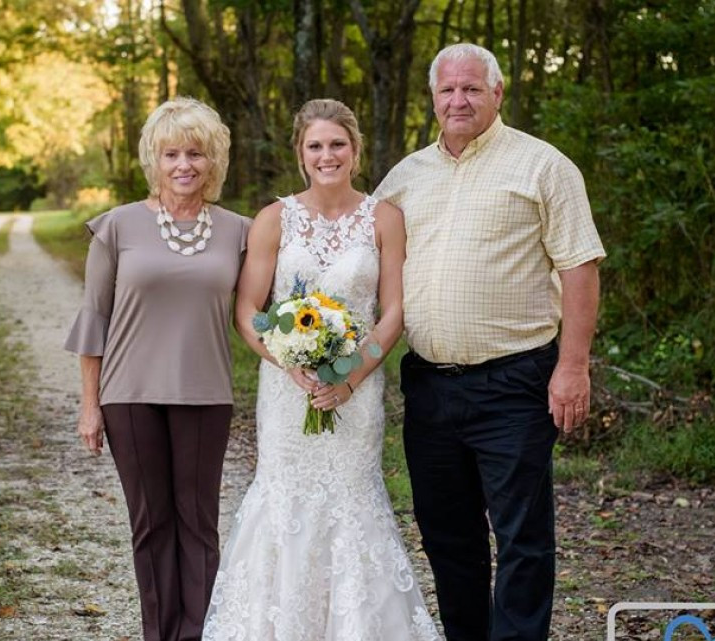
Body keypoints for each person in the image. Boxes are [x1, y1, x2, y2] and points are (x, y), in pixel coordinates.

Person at [373, 43, 606, 641]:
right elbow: (366, 267)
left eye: (472, 88)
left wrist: (573, 367)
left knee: (522, 537)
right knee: (448, 536)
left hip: (516, 381)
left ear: (498, 93)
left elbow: (580, 269)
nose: (459, 100)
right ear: (433, 98)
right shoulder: (404, 178)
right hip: (428, 385)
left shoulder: (544, 166)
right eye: (448, 90)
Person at [202, 99, 440, 641]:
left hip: (356, 392)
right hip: (289, 393)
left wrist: (350, 375)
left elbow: (393, 311)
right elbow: (249, 312)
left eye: (337, 144)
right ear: (300, 154)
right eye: (316, 146)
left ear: (355, 151)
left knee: (352, 498)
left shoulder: (384, 218)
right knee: (283, 497)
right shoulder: (273, 218)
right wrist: (290, 362)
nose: (327, 155)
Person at [64, 97, 250, 641]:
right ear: (154, 159)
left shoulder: (240, 231)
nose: (183, 165)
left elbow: (264, 310)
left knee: (199, 523)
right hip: (129, 395)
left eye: (195, 153)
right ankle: (159, 633)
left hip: (206, 393)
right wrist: (89, 405)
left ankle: (198, 632)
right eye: (171, 154)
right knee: (151, 524)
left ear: (213, 160)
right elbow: (94, 317)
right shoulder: (116, 227)